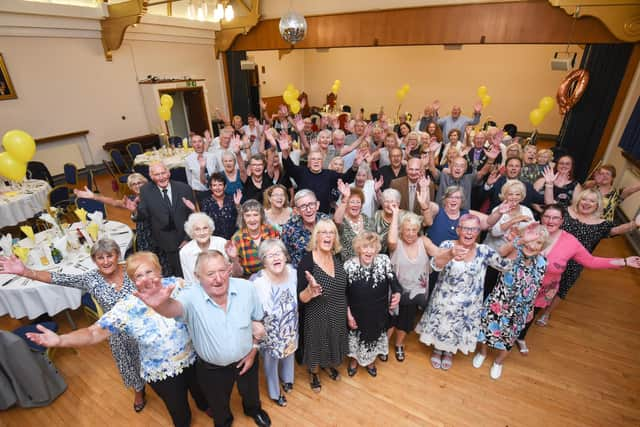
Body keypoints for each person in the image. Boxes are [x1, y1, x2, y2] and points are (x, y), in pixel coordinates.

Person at [25, 252, 210, 426]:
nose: (145, 278)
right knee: (180, 412)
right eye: (138, 275)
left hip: (193, 357)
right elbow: (93, 333)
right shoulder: (126, 308)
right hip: (163, 371)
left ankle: (204, 405)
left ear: (159, 271)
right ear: (132, 280)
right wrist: (61, 340)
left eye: (149, 271)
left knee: (201, 391)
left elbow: (207, 299)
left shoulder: (177, 285)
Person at [0, 239, 146, 411]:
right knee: (129, 365)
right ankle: (139, 390)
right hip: (116, 333)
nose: (106, 261)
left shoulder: (132, 270)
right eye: (100, 258)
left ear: (118, 255)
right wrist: (25, 271)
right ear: (94, 260)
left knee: (153, 361)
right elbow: (58, 278)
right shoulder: (91, 279)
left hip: (144, 326)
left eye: (109, 256)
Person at [135, 250, 271, 427]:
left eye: (222, 271)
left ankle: (254, 410)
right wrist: (161, 305)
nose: (218, 278)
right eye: (210, 274)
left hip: (248, 358)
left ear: (229, 269)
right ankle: (224, 422)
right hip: (212, 368)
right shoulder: (189, 296)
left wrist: (254, 349)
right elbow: (173, 309)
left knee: (251, 392)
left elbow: (258, 319)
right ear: (197, 276)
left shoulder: (247, 288)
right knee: (218, 403)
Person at [514, 204, 640, 353]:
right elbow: (510, 250)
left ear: (562, 221)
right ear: (541, 217)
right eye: (547, 216)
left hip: (543, 289)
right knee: (510, 311)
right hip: (517, 284)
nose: (550, 221)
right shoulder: (530, 231)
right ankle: (501, 335)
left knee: (530, 314)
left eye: (555, 218)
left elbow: (591, 261)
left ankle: (520, 336)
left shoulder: (570, 242)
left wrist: (623, 261)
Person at [415, 214, 512, 370]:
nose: (469, 232)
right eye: (466, 228)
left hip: (469, 305)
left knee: (457, 328)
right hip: (445, 300)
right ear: (458, 230)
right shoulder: (447, 244)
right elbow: (435, 265)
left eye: (474, 229)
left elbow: (505, 265)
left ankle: (449, 352)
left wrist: (517, 244)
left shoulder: (484, 251)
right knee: (443, 325)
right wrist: (450, 254)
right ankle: (438, 349)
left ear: (478, 232)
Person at [538, 188, 640, 325]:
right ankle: (534, 305)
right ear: (578, 200)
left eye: (591, 201)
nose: (586, 203)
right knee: (541, 282)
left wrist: (634, 224)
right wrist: (549, 185)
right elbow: (550, 208)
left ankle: (546, 313)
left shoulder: (601, 225)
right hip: (552, 257)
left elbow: (616, 231)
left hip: (576, 263)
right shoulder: (566, 212)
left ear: (597, 205)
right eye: (584, 199)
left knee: (562, 289)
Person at [473, 223, 548, 379]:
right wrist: (520, 241)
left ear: (542, 246)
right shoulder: (515, 252)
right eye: (531, 240)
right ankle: (482, 353)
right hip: (498, 303)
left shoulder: (542, 263)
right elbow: (500, 252)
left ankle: (498, 362)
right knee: (486, 331)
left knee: (509, 338)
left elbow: (536, 287)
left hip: (520, 309)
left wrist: (531, 308)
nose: (533, 245)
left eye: (538, 242)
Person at [297, 219, 348, 392]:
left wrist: (347, 313)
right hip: (317, 313)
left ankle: (326, 365)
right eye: (323, 232)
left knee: (331, 340)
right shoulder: (307, 262)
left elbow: (343, 289)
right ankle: (314, 372)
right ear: (316, 237)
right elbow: (300, 298)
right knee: (317, 343)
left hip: (338, 310)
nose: (328, 236)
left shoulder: (337, 257)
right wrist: (310, 292)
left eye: (331, 232)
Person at [387, 210, 442, 362]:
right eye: (407, 229)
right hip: (396, 290)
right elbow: (391, 240)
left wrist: (453, 252)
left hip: (415, 292)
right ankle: (383, 346)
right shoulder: (396, 242)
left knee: (405, 321)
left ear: (418, 230)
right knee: (390, 321)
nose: (410, 233)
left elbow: (438, 252)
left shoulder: (423, 241)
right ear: (401, 230)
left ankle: (399, 345)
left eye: (413, 230)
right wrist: (395, 214)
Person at [250, 240, 298, 407]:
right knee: (271, 363)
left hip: (291, 327)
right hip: (270, 334)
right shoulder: (257, 282)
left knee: (289, 354)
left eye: (278, 253)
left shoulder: (293, 273)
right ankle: (275, 393)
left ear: (285, 256)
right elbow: (249, 309)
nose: (275, 258)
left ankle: (287, 380)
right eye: (269, 255)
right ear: (263, 261)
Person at [345, 232, 401, 377]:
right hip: (357, 313)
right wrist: (348, 314)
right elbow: (343, 294)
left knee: (374, 338)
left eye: (372, 247)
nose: (369, 250)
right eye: (365, 246)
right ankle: (354, 362)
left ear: (377, 249)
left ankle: (370, 362)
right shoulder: (349, 265)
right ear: (359, 248)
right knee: (355, 339)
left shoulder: (384, 261)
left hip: (378, 312)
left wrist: (397, 293)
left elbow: (394, 282)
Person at [137, 162, 195, 276]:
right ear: (151, 176)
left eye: (163, 173)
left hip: (184, 240)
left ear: (169, 173)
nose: (161, 177)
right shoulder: (145, 191)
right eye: (157, 174)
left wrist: (188, 238)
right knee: (168, 276)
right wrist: (134, 211)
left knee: (188, 272)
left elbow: (192, 216)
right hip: (161, 244)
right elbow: (143, 215)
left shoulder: (184, 188)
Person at [179, 212, 242, 284]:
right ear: (191, 232)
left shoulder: (222, 243)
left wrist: (234, 259)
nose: (202, 233)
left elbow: (237, 274)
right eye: (197, 229)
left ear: (210, 229)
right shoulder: (185, 252)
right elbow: (189, 282)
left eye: (205, 228)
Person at [231, 200, 280, 277]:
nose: (252, 219)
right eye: (248, 215)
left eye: (255, 215)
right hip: (250, 280)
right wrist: (234, 259)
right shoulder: (237, 238)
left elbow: (281, 256)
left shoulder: (271, 231)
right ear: (243, 218)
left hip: (274, 275)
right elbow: (237, 274)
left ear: (261, 216)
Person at [281, 190, 329, 267]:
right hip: (300, 272)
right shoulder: (289, 227)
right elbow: (285, 254)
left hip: (326, 268)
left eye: (311, 204)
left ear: (317, 205)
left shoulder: (326, 221)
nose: (308, 210)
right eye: (303, 206)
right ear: (297, 210)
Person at [333, 183, 375, 262]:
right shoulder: (342, 220)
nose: (355, 205)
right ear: (346, 204)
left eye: (358, 202)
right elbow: (336, 222)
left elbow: (374, 242)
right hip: (346, 265)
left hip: (367, 263)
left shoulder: (367, 219)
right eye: (352, 202)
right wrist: (345, 198)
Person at [199, 173, 242, 240]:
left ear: (225, 187)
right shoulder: (206, 202)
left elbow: (241, 218)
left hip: (234, 238)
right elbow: (203, 222)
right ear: (210, 187)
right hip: (214, 240)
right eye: (214, 185)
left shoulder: (232, 199)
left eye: (220, 185)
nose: (217, 188)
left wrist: (238, 205)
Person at [185, 134, 220, 205]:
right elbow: (189, 179)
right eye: (194, 142)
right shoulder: (188, 159)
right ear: (192, 145)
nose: (197, 144)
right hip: (200, 192)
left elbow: (218, 172)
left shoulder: (212, 156)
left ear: (203, 143)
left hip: (215, 190)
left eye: (200, 141)